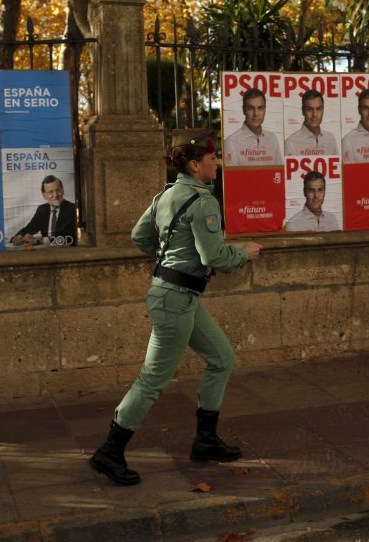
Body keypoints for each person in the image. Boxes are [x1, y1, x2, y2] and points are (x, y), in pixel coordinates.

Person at [89, 138, 262, 486]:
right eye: (213, 159)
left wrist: (169, 258)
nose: (218, 164)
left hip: (178, 295)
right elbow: (213, 257)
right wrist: (243, 252)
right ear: (195, 166)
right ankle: (110, 451)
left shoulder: (164, 196)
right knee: (152, 380)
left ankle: (206, 441)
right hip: (174, 299)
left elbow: (140, 237)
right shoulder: (203, 201)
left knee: (222, 358)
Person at [10, 175, 76, 247]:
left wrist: (39, 241)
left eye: (58, 190)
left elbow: (70, 237)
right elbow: (30, 227)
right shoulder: (42, 209)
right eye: (50, 192)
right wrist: (18, 236)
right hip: (46, 252)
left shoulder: (73, 209)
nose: (55, 195)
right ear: (44, 196)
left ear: (63, 191)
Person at [223, 88, 282, 166]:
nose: (256, 114)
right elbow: (231, 176)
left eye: (260, 108)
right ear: (243, 110)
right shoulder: (231, 142)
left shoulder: (272, 138)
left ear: (265, 110)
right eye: (251, 108)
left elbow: (279, 172)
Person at [284, 90, 338, 156]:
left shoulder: (330, 139)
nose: (314, 115)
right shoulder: (291, 142)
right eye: (309, 109)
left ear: (323, 110)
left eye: (318, 109)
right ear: (303, 111)